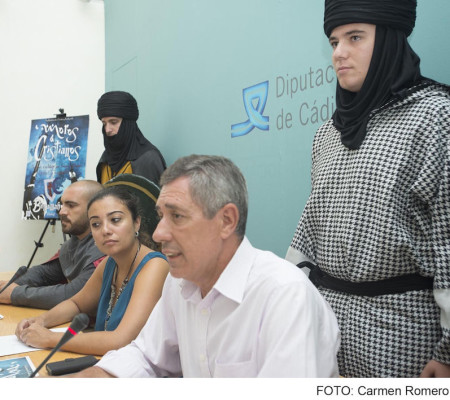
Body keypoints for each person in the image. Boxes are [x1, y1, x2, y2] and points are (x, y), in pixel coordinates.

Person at [286, 0, 450, 378]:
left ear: (390, 39)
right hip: (327, 328)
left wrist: (448, 351)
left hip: (403, 335)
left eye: (354, 37)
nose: (339, 53)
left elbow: (447, 241)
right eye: (333, 41)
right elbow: (312, 226)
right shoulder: (328, 134)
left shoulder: (434, 116)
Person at [73, 154, 340, 378]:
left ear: (226, 221)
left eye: (176, 216)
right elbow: (145, 357)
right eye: (160, 216)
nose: (158, 234)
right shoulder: (179, 282)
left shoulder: (285, 295)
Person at [15, 186, 169, 356]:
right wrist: (40, 321)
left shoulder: (155, 266)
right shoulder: (109, 263)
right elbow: (76, 304)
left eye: (115, 220)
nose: (105, 230)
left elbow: (121, 340)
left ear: (136, 222)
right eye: (96, 224)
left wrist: (50, 338)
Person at [0, 180, 104, 309]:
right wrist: (9, 287)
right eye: (62, 204)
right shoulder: (73, 243)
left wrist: (15, 294)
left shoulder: (105, 250)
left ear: (95, 209)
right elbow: (44, 274)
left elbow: (73, 295)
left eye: (71, 205)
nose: (61, 212)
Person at [96, 90, 166, 184]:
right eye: (104, 123)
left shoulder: (147, 159)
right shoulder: (105, 159)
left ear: (127, 123)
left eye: (113, 122)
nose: (107, 129)